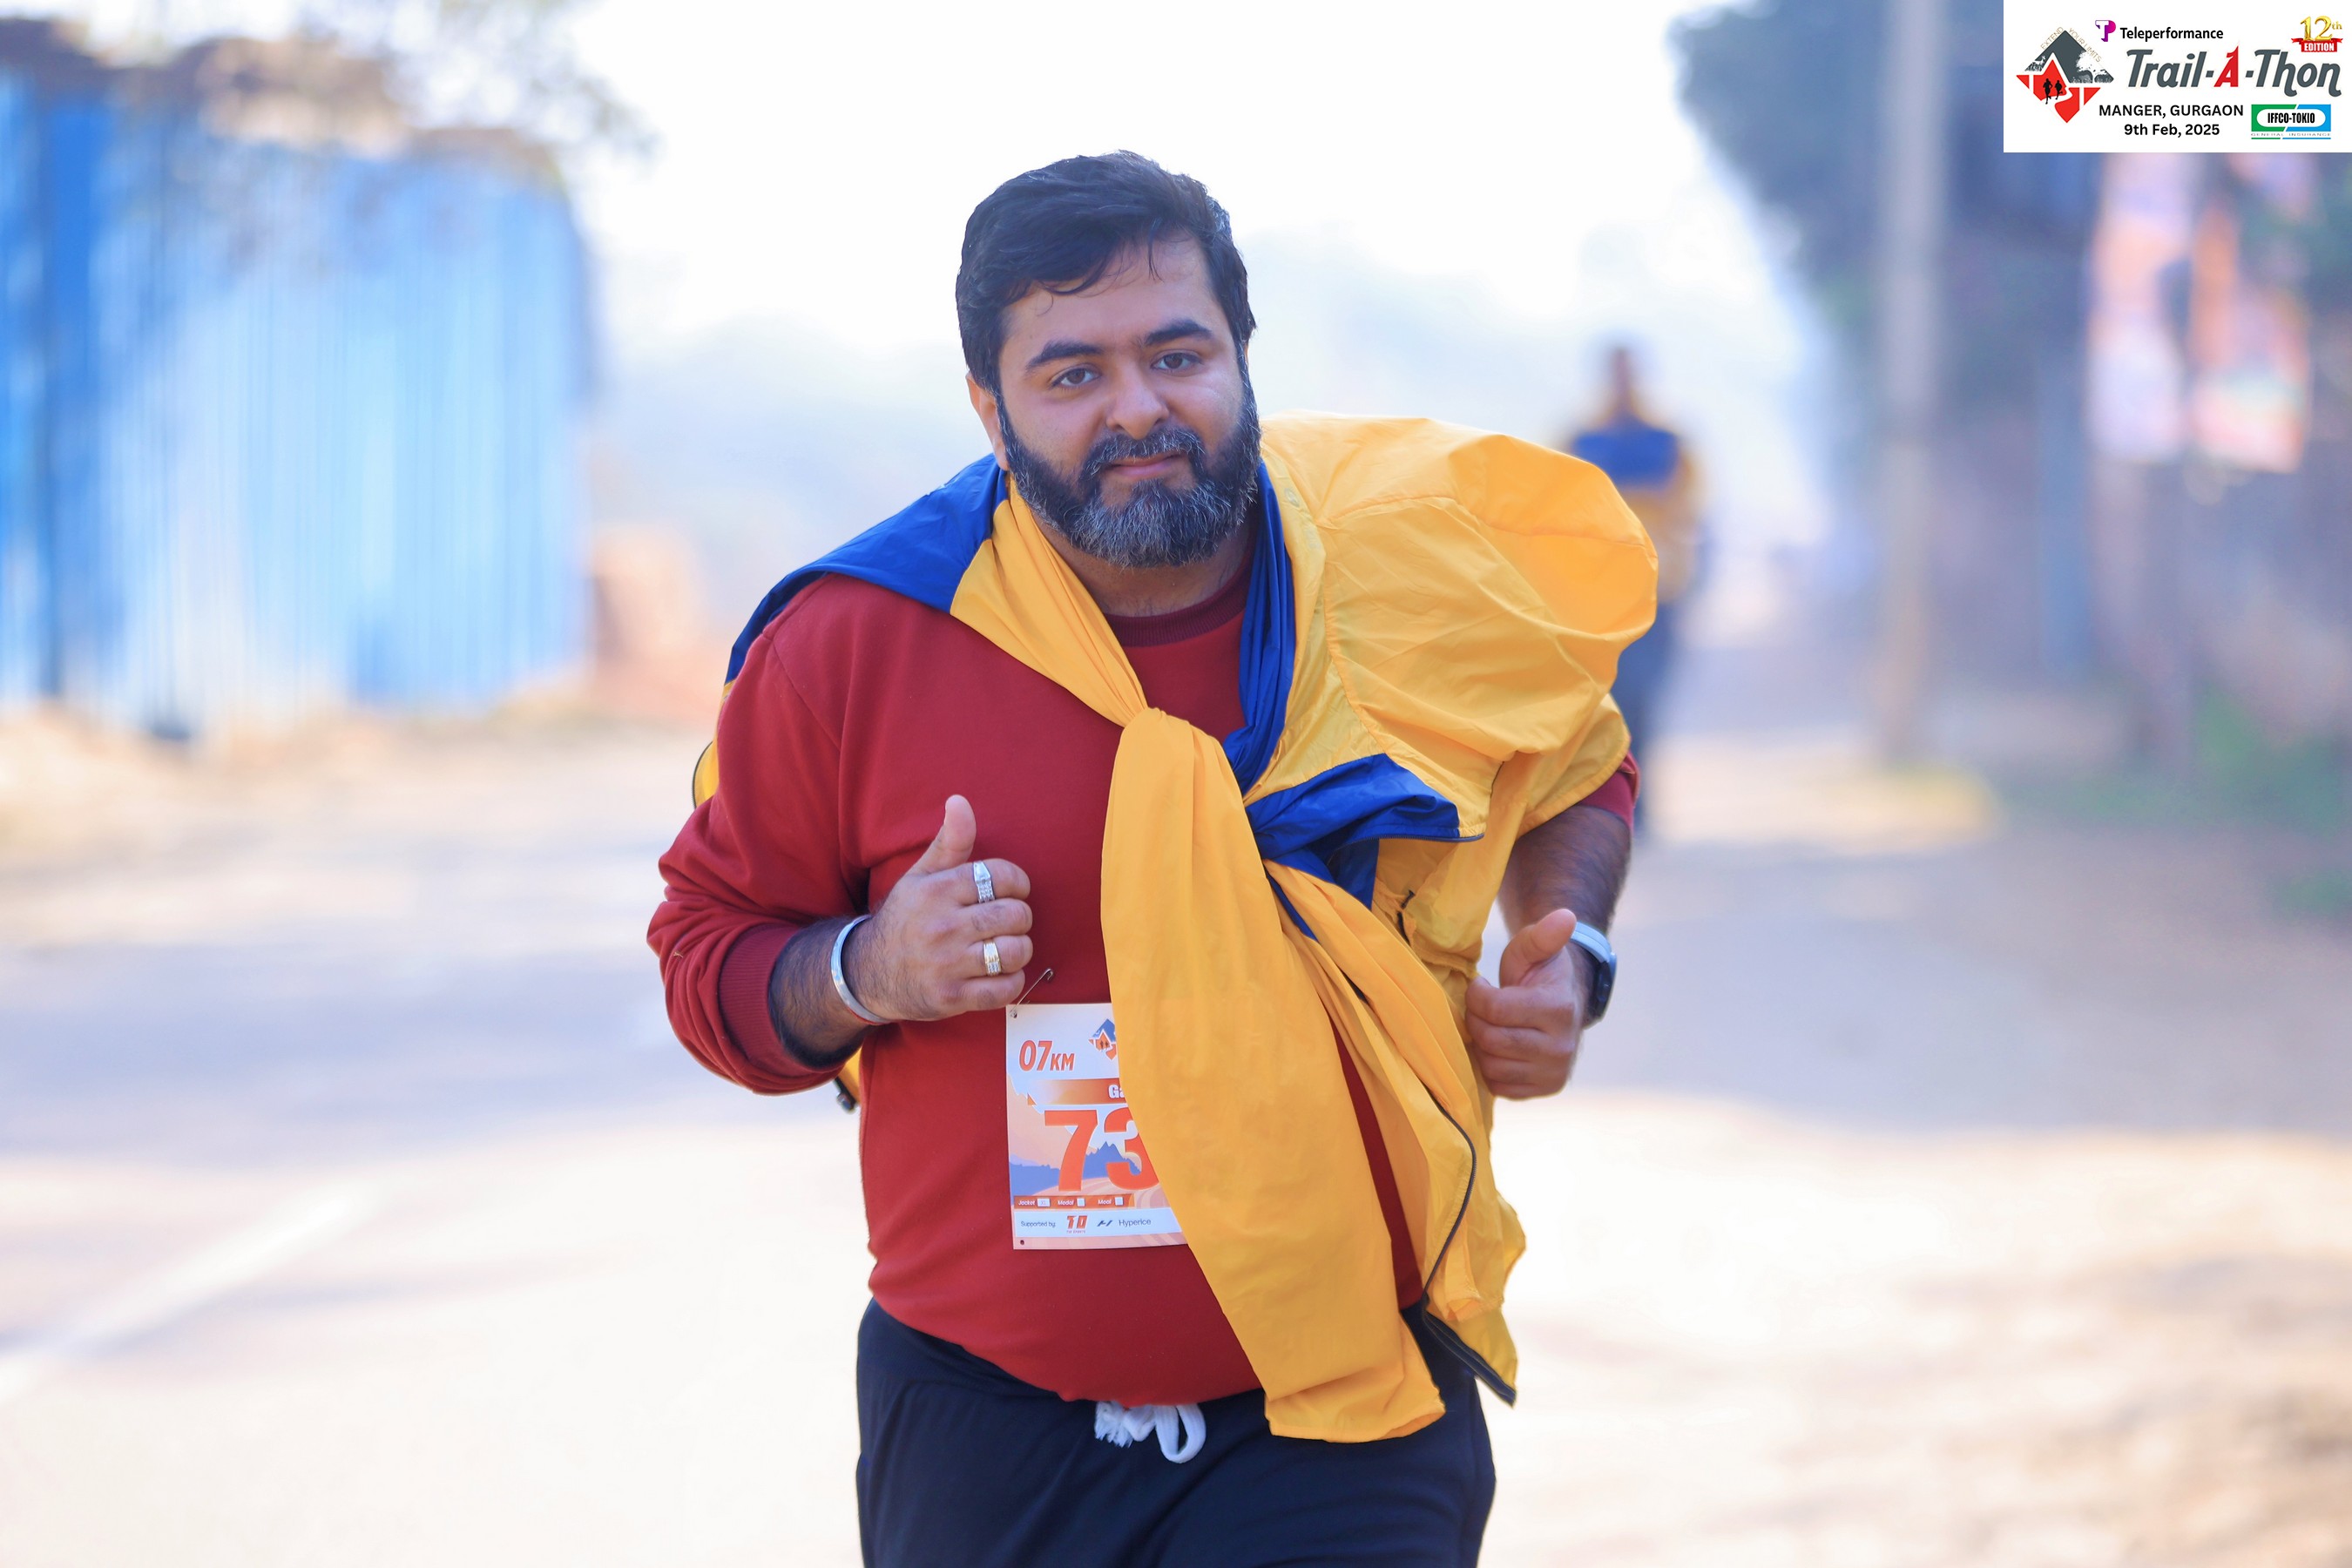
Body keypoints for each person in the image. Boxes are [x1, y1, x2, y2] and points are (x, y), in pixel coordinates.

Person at [650, 152, 1655, 1567]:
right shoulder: (860, 642)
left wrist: (1572, 953)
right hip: (988, 1434)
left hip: (1348, 1418)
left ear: (1241, 354)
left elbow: (1576, 758)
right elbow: (711, 956)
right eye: (1073, 374)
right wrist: (872, 968)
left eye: (1177, 355)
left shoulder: (1399, 563)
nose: (1137, 408)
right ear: (990, 408)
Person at [1565, 344, 1702, 798]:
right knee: (1612, 700)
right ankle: (1615, 795)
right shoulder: (1581, 440)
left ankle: (1637, 795)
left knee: (1645, 694)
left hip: (1659, 586)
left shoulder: (1668, 442)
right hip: (1598, 592)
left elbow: (1689, 507)